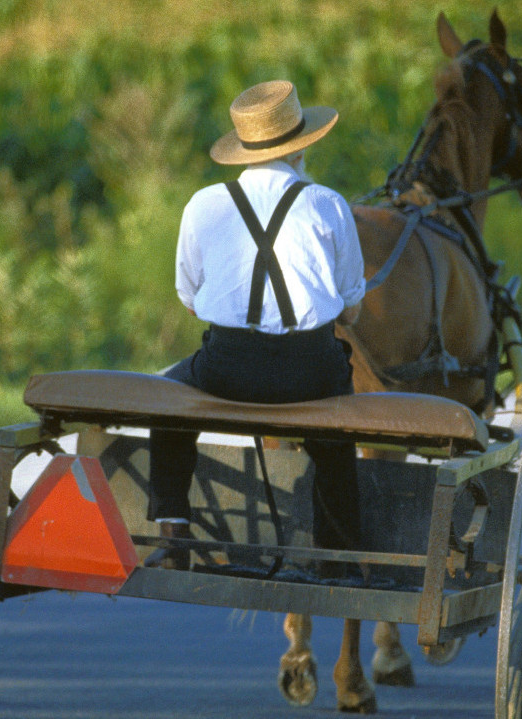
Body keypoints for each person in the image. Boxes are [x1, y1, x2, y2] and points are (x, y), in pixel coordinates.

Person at [147, 80, 366, 571]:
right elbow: (351, 306)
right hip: (309, 371)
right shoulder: (328, 204)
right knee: (335, 439)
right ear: (302, 146)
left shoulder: (203, 205)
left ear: (243, 150)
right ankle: (338, 552)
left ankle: (173, 531)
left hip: (227, 368)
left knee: (168, 399)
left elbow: (188, 299)